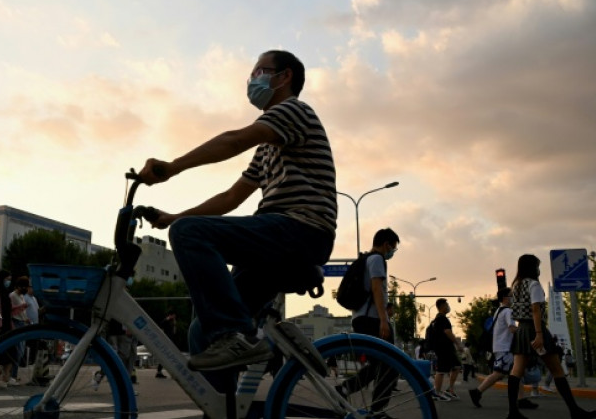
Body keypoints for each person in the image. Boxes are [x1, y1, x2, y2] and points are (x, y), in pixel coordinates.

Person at [138, 49, 336, 372]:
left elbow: (233, 140)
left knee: (191, 237)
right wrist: (174, 218)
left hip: (301, 230)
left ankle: (234, 337)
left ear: (284, 76)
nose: (252, 80)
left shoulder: (294, 111)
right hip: (277, 237)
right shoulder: (268, 148)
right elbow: (231, 197)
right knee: (202, 333)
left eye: (259, 72)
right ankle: (223, 398)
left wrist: (172, 167)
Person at [506, 254, 596, 419]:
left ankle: (513, 412)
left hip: (522, 330)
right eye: (537, 265)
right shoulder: (534, 285)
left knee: (516, 371)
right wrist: (540, 334)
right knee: (557, 370)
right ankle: (574, 410)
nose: (538, 269)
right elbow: (536, 309)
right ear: (532, 267)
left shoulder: (516, 285)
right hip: (535, 329)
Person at [337, 228, 400, 413]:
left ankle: (344, 389)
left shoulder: (365, 259)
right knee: (391, 365)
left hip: (361, 318)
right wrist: (383, 319)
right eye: (393, 248)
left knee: (379, 365)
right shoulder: (377, 259)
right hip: (372, 320)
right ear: (386, 244)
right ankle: (377, 411)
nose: (392, 252)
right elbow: (376, 288)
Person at [469, 287, 535, 410]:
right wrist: (526, 333)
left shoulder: (498, 311)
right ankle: (477, 392)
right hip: (505, 347)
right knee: (500, 374)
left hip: (500, 346)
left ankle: (521, 399)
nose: (513, 298)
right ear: (505, 298)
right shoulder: (508, 312)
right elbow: (512, 328)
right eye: (511, 295)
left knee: (516, 372)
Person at [430, 298, 463, 401]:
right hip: (443, 348)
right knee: (441, 370)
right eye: (446, 304)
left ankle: (450, 390)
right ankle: (437, 393)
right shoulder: (442, 319)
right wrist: (458, 343)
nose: (448, 306)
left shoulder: (437, 319)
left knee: (456, 366)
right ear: (442, 306)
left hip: (445, 348)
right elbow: (447, 331)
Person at [155, 309, 177, 378]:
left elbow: (174, 332)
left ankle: (160, 371)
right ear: (171, 315)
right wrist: (167, 319)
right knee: (166, 357)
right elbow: (161, 325)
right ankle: (160, 371)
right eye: (173, 315)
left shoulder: (172, 322)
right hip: (166, 341)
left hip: (170, 340)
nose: (174, 316)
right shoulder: (166, 321)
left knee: (167, 357)